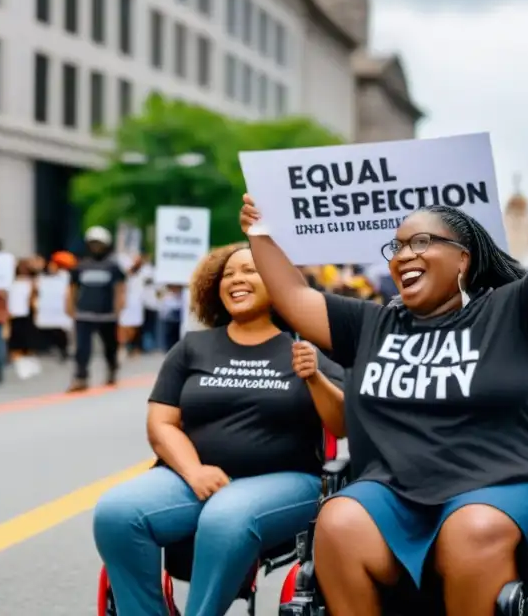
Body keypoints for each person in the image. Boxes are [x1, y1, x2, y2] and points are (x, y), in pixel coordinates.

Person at [241, 101, 528, 616]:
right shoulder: (372, 322)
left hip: (498, 487)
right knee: (337, 520)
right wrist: (260, 236)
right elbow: (290, 297)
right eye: (395, 247)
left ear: (463, 259)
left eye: (422, 241)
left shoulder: (514, 313)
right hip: (393, 490)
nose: (403, 255)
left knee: (472, 530)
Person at [93, 242, 346, 616]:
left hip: (287, 481)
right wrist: (194, 471)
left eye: (250, 270)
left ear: (278, 282)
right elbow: (162, 424)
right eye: (228, 274)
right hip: (192, 477)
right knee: (116, 512)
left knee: (226, 515)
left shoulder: (309, 346)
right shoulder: (193, 347)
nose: (237, 280)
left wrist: (314, 378)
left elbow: (340, 426)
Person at [67, 227, 126, 392]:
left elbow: (120, 288)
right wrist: (70, 307)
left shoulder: (113, 267)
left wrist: (118, 308)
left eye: (99, 244)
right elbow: (73, 288)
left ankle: (112, 370)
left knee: (110, 346)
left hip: (107, 314)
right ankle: (81, 376)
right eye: (92, 244)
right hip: (84, 313)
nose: (95, 247)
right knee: (82, 348)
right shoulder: (81, 267)